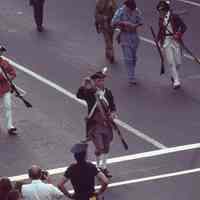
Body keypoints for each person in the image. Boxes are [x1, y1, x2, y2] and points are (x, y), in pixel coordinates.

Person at [76, 69, 117, 178]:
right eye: (98, 80)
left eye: (102, 80)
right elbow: (79, 95)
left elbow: (112, 106)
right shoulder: (90, 93)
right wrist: (84, 85)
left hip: (106, 123)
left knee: (106, 146)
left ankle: (104, 167)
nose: (101, 82)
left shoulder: (108, 92)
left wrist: (113, 113)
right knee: (99, 147)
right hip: (95, 124)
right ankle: (98, 167)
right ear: (94, 82)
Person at [156, 1, 187, 89]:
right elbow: (160, 30)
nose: (159, 12)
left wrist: (178, 34)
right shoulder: (160, 18)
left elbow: (184, 27)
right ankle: (176, 81)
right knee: (171, 62)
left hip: (175, 41)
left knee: (178, 62)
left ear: (166, 9)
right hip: (166, 41)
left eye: (161, 10)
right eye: (159, 10)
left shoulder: (175, 16)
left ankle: (174, 75)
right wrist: (158, 40)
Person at [111, 0, 143, 85]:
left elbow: (140, 22)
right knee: (128, 58)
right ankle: (131, 77)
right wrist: (124, 23)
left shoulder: (136, 11)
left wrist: (135, 25)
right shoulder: (120, 11)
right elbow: (113, 23)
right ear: (126, 6)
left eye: (132, 9)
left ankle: (131, 70)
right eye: (130, 9)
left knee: (133, 58)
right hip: (124, 36)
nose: (131, 10)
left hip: (134, 36)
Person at [0, 46, 18, 135]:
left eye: (1, 51)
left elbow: (13, 73)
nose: (0, 53)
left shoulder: (5, 63)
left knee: (8, 107)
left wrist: (8, 79)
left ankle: (10, 126)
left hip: (5, 88)